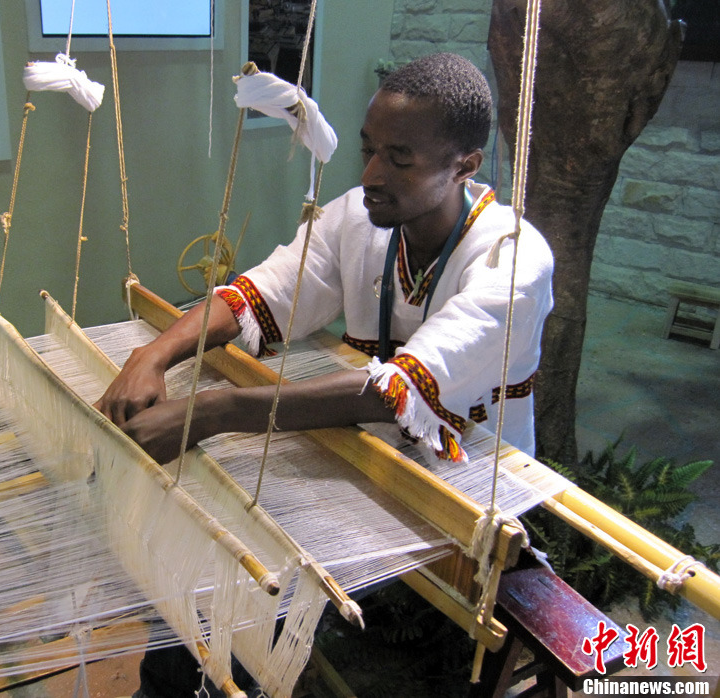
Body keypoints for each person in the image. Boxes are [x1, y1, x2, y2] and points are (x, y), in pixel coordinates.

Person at [96, 52, 554, 696]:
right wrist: (151, 357)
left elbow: (398, 390)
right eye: (369, 150)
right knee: (204, 558)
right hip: (361, 458)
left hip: (459, 496)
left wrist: (213, 413)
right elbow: (258, 293)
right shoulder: (360, 219)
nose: (370, 174)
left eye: (399, 159)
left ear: (464, 166)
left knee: (276, 607)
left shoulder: (513, 263)